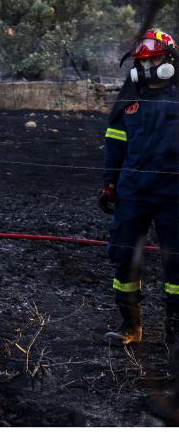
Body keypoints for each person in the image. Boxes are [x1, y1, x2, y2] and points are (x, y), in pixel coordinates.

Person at [99, 29, 179, 350]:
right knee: (124, 258)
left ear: (170, 61)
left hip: (174, 194)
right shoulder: (129, 98)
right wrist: (109, 182)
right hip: (133, 191)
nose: (148, 68)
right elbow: (115, 144)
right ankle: (130, 325)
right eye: (142, 62)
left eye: (155, 60)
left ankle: (174, 334)